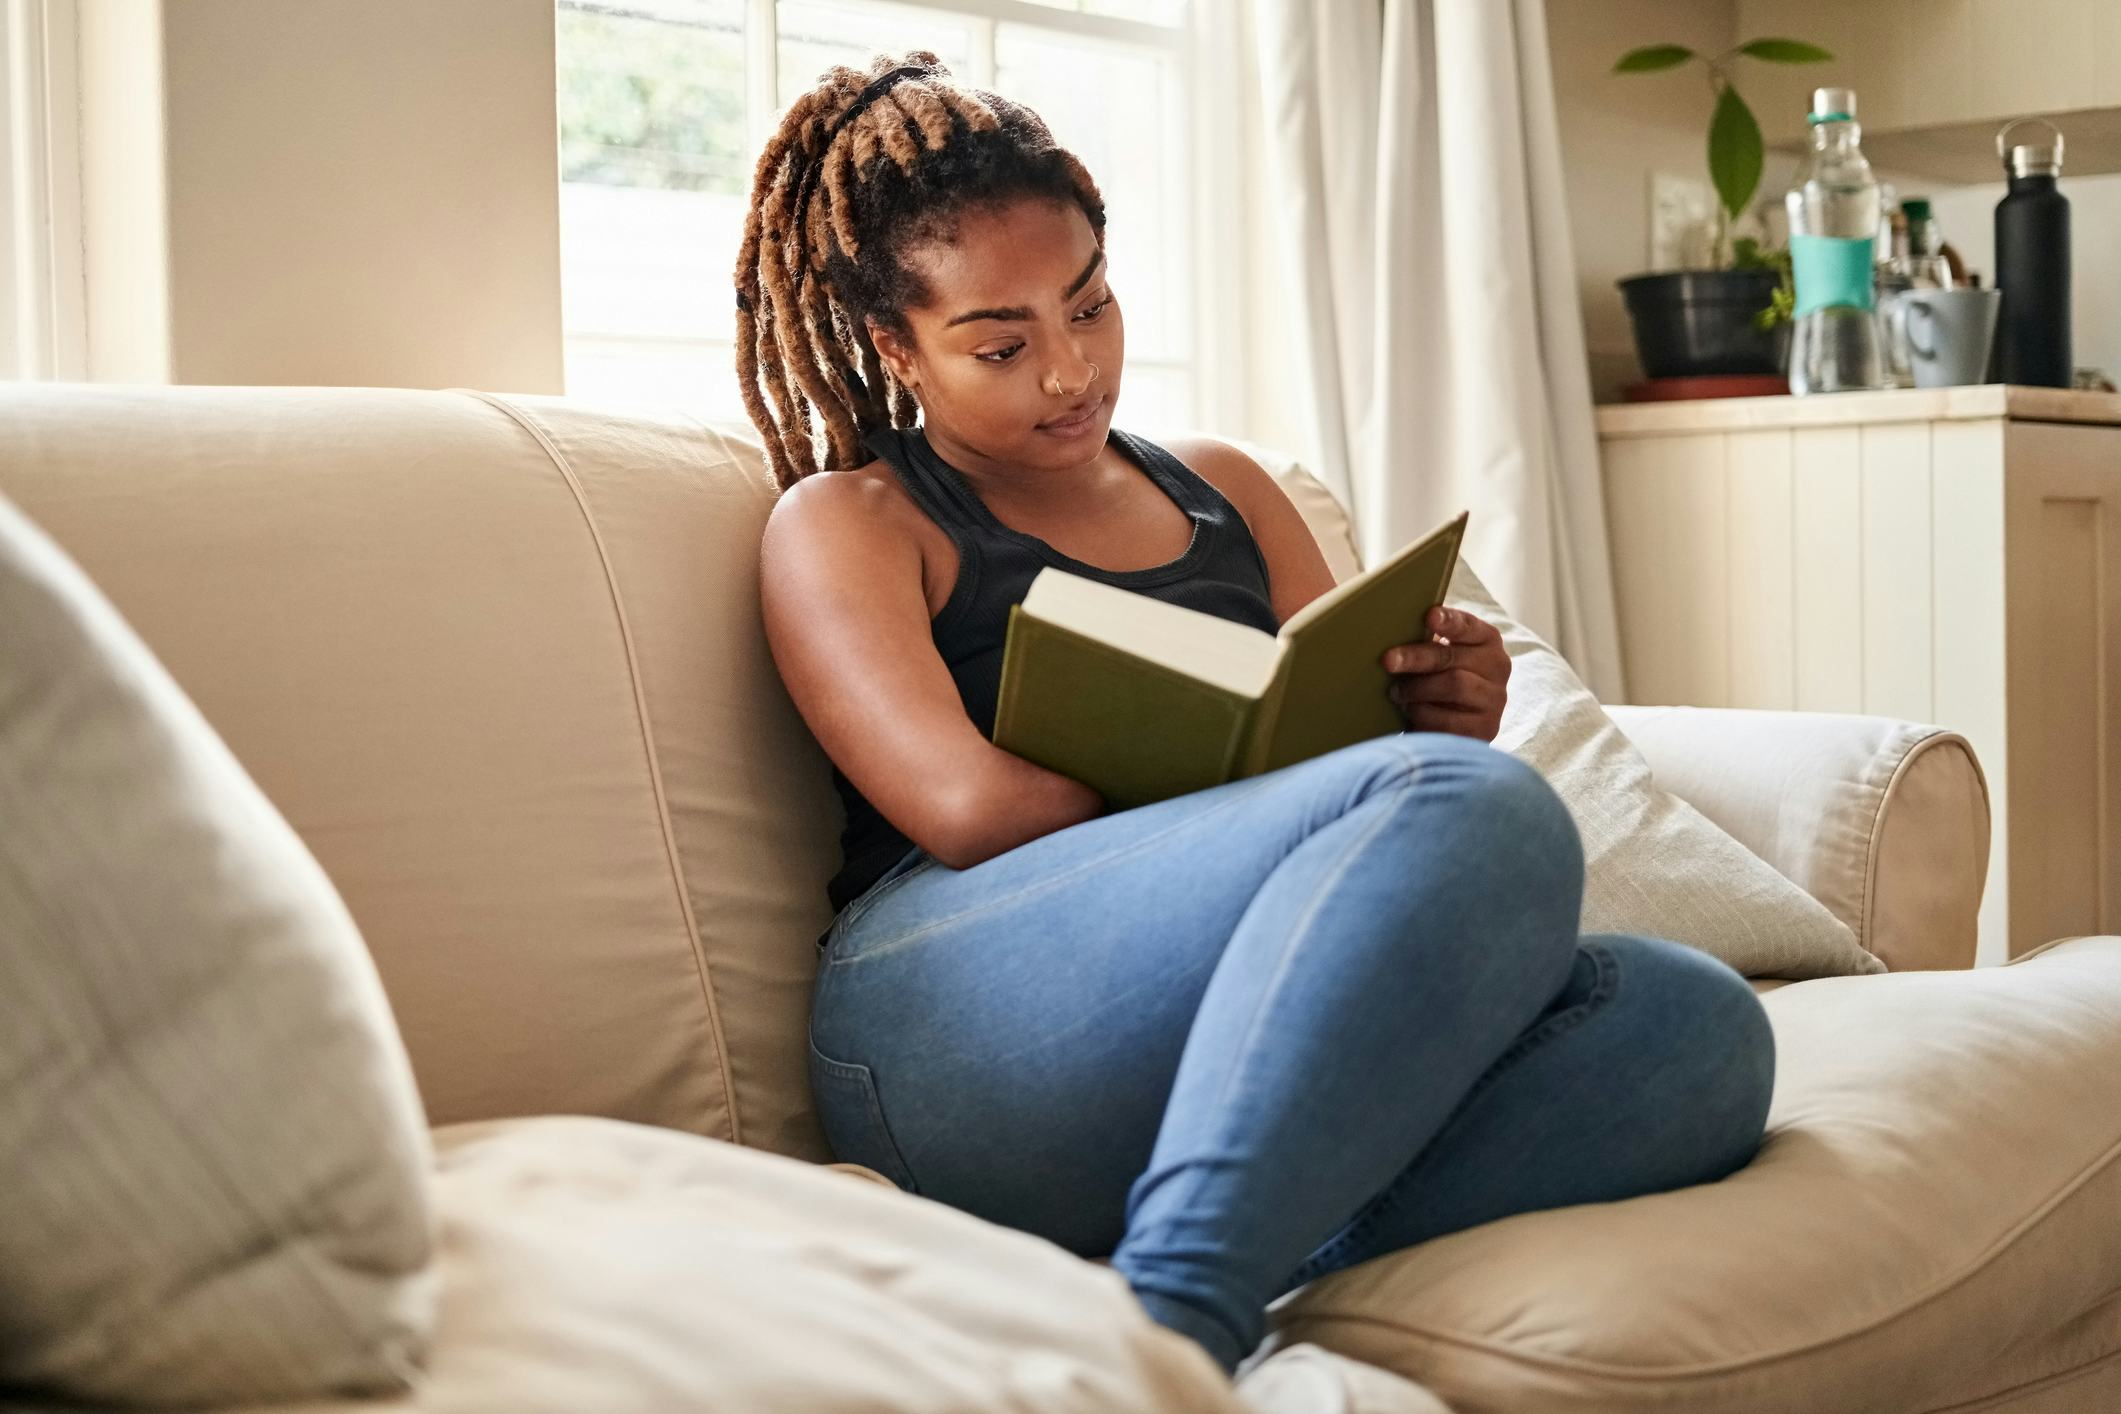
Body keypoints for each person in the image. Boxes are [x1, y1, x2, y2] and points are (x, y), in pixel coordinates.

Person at [740, 51, 1776, 1379]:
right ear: (896, 345)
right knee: (1460, 805)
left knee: (1692, 1029)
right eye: (1000, 343)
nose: (1067, 373)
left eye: (1091, 309)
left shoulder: (1227, 487)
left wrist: (1429, 715)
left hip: (1204, 1029)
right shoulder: (853, 523)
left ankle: (1194, 1254)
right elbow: (969, 806)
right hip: (947, 1022)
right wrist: (1358, 793)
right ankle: (1178, 1329)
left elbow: (1367, 791)